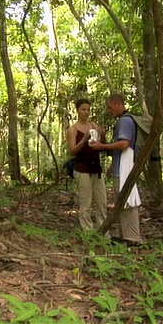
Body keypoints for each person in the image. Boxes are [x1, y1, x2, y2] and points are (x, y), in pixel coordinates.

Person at [89, 93, 143, 246]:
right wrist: (113, 166)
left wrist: (101, 146)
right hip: (121, 166)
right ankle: (126, 235)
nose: (109, 110)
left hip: (125, 168)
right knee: (123, 200)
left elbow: (124, 144)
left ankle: (133, 237)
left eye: (110, 107)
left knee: (127, 200)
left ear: (118, 104)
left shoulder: (125, 121)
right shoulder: (124, 120)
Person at [67, 98, 107, 232]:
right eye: (83, 109)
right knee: (86, 202)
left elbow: (102, 146)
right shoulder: (73, 129)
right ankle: (87, 231)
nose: (86, 112)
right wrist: (83, 140)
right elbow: (72, 151)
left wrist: (103, 134)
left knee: (101, 201)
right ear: (77, 110)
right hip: (82, 169)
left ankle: (103, 229)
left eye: (88, 109)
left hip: (96, 168)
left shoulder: (94, 125)